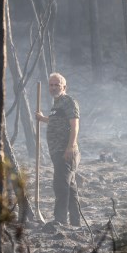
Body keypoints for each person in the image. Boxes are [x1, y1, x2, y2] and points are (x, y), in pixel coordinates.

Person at [35, 72, 81, 226]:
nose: (53, 87)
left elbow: (74, 126)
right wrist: (42, 119)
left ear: (64, 87)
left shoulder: (68, 101)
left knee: (60, 185)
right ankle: (75, 223)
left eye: (57, 85)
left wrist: (70, 147)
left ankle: (59, 221)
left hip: (65, 151)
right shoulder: (57, 104)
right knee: (70, 188)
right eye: (51, 85)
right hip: (58, 151)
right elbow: (57, 122)